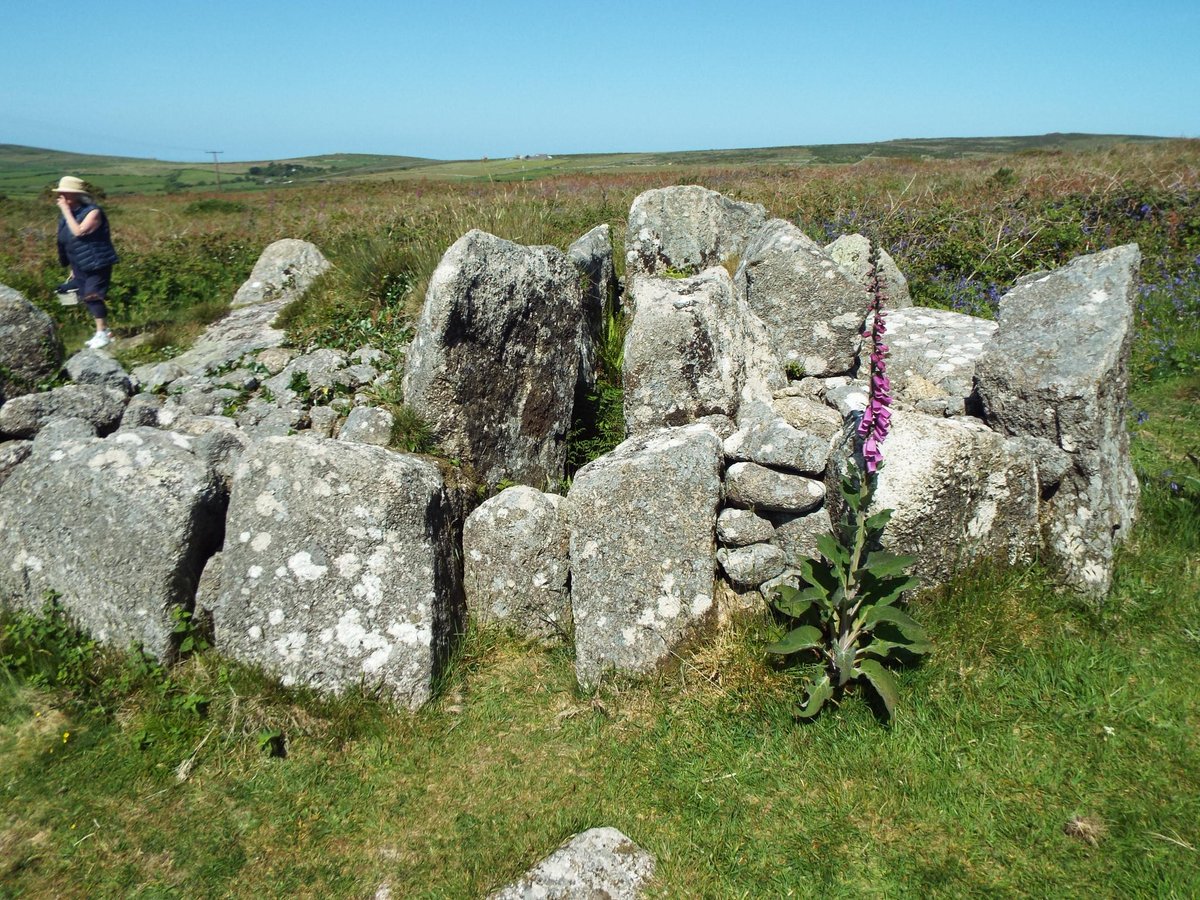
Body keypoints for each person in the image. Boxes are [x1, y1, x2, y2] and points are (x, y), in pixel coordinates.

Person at [53, 175, 119, 349]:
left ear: (77, 195)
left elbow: (79, 232)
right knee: (85, 296)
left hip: (97, 261)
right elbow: (65, 240)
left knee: (92, 294)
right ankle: (104, 332)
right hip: (80, 263)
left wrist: (65, 211)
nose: (62, 196)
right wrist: (71, 266)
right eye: (61, 193)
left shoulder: (93, 212)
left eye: (66, 193)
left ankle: (101, 333)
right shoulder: (70, 215)